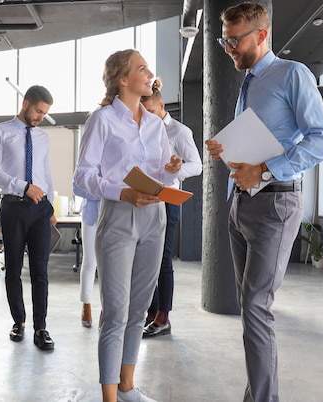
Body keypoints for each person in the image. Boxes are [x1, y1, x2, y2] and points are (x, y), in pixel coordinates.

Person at [204, 3, 323, 401]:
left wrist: (262, 171)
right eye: (223, 40)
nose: (228, 48)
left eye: (234, 39)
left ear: (262, 35)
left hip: (275, 205)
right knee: (251, 309)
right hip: (241, 204)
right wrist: (227, 150)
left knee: (257, 308)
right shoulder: (249, 83)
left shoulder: (291, 75)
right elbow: (262, 140)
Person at [74, 49, 182, 402]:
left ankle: (126, 388)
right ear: (123, 80)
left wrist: (172, 168)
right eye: (142, 69)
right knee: (116, 311)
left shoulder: (155, 124)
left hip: (156, 217)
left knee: (139, 308)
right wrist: (122, 192)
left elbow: (166, 167)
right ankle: (108, 398)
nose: (150, 73)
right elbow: (82, 178)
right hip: (119, 215)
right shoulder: (102, 120)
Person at [0, 85, 58, 351]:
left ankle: (41, 327)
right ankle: (19, 322)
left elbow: (45, 174)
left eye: (44, 113)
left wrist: (50, 208)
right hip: (13, 207)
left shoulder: (43, 138)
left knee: (40, 270)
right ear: (26, 103)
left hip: (40, 209)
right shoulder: (0, 131)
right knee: (13, 269)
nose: (40, 117)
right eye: (38, 110)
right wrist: (22, 186)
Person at [140, 78, 202, 338]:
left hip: (168, 199)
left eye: (151, 113)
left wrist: (177, 171)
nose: (148, 118)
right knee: (147, 260)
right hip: (146, 199)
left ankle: (163, 317)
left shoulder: (179, 132)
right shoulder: (144, 130)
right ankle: (151, 313)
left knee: (163, 259)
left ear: (162, 106)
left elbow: (197, 165)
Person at [72, 182, 100, 327]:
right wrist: (105, 192)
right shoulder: (88, 159)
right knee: (90, 261)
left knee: (110, 267)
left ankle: (106, 309)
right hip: (90, 216)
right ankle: (86, 304)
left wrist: (96, 189)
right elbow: (77, 187)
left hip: (113, 216)